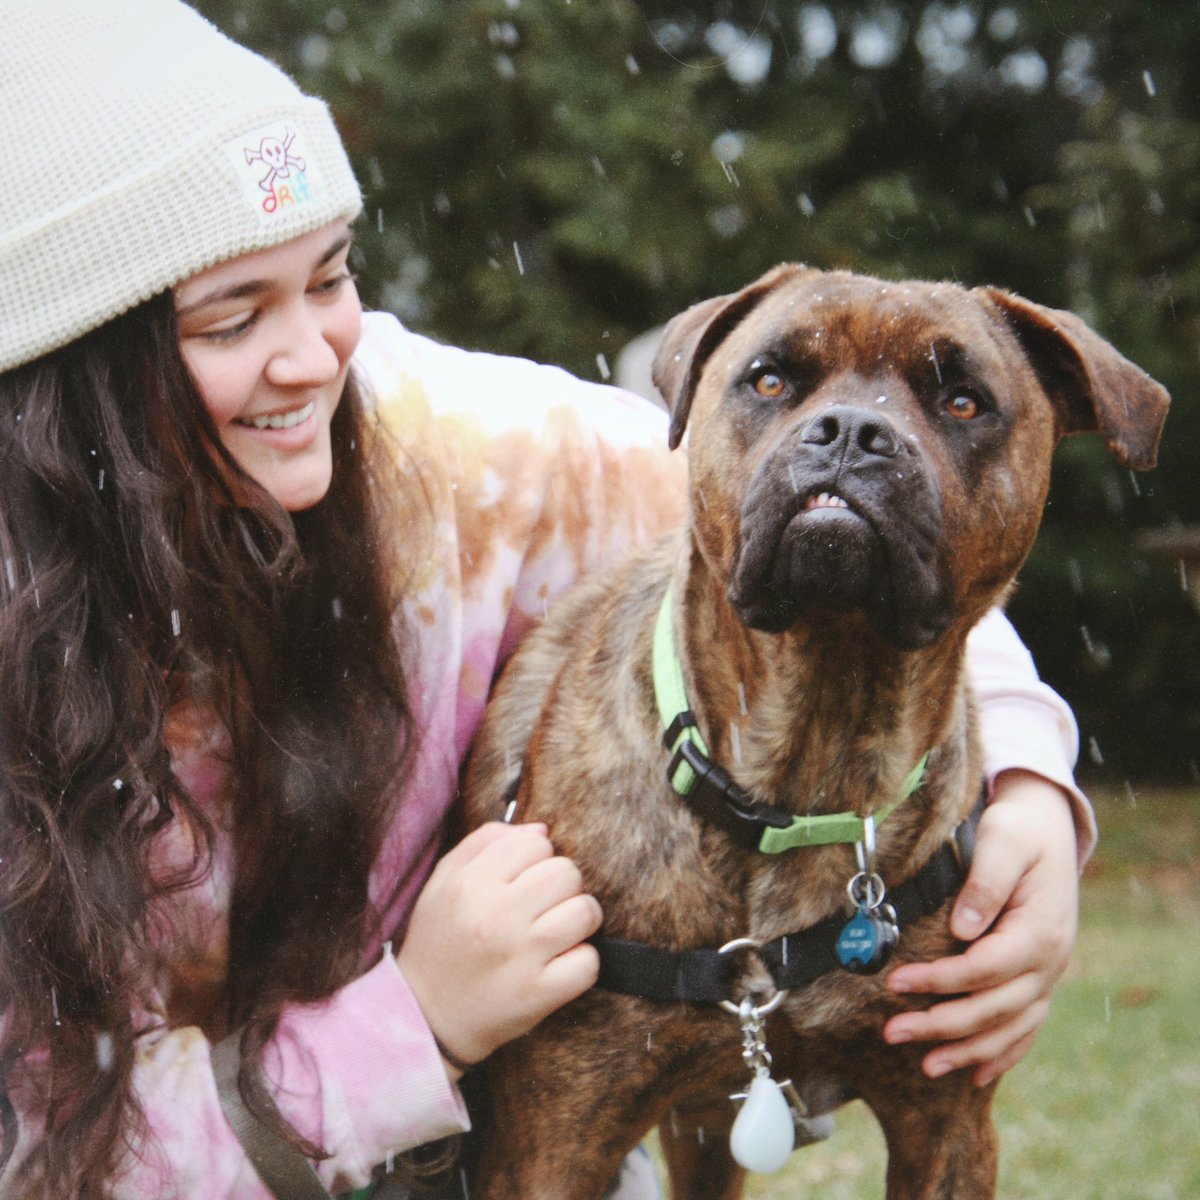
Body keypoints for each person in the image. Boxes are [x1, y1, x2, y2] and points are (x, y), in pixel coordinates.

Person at [0, 3, 1087, 1198]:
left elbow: (810, 508)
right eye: (232, 316)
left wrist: (1030, 791)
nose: (316, 356)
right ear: (71, 373)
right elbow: (50, 1161)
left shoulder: (451, 445)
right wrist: (413, 1020)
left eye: (329, 277)